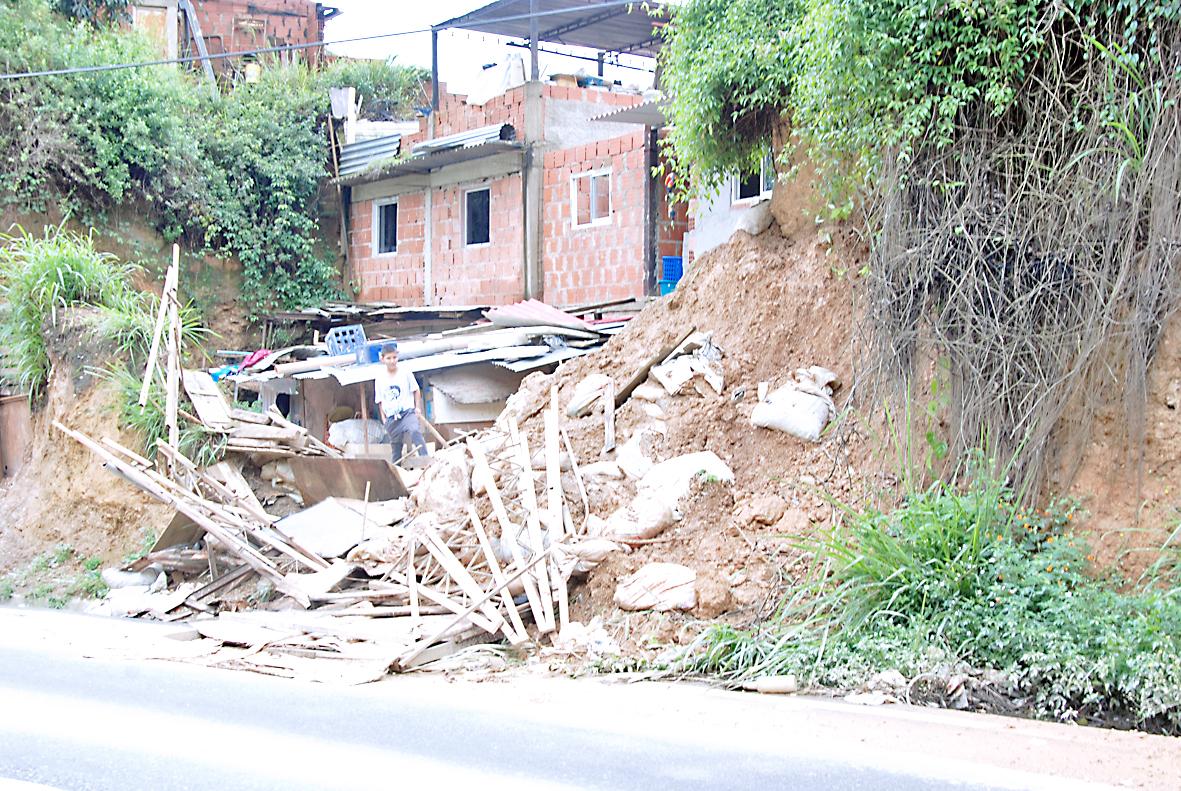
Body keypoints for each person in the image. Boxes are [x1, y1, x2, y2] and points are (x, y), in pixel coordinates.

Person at [374, 343, 427, 459]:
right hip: (391, 417)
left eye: (394, 357)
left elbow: (416, 389)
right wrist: (384, 419)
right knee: (396, 445)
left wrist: (417, 407)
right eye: (388, 358)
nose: (392, 361)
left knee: (415, 431)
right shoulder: (379, 379)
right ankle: (397, 468)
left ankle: (425, 459)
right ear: (382, 359)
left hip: (407, 412)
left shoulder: (405, 373)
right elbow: (380, 401)